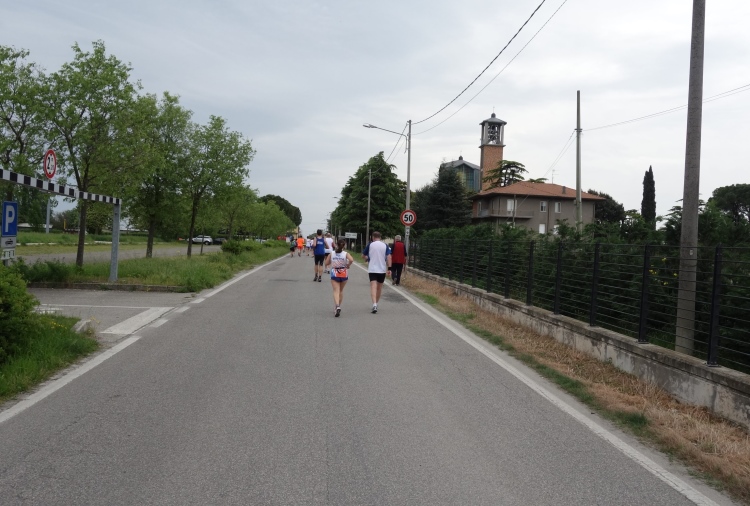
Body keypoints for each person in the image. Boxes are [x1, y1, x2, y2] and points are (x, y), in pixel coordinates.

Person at [362, 231, 391, 314]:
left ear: (373, 237)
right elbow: (389, 257)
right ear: (380, 237)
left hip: (372, 269)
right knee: (379, 288)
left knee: (373, 287)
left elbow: (363, 255)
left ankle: (374, 304)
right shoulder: (385, 245)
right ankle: (376, 303)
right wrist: (389, 269)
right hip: (382, 269)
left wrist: (367, 258)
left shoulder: (370, 245)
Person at [325, 238, 354, 317]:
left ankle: (337, 305)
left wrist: (332, 261)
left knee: (336, 290)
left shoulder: (332, 253)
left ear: (336, 245)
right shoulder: (346, 253)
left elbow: (326, 263)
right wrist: (348, 265)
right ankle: (338, 306)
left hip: (335, 272)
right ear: (344, 246)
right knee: (341, 291)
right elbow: (351, 260)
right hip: (343, 272)